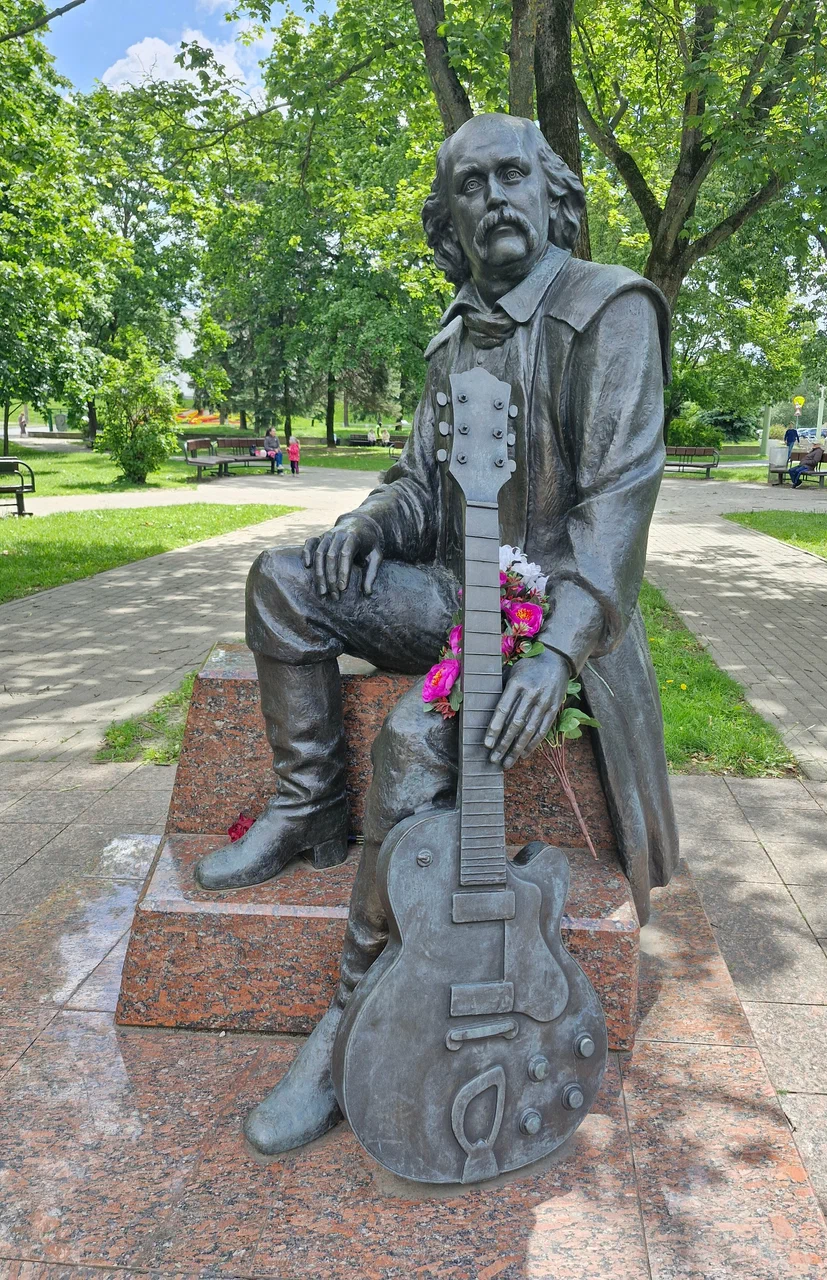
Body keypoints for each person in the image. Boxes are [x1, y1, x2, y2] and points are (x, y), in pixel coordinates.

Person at [196, 113, 679, 1156]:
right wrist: (370, 524)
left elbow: (618, 510)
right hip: (460, 591)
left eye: (513, 175)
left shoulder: (611, 311)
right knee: (285, 581)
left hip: (559, 618)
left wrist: (557, 653)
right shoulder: (452, 337)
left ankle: (350, 1008)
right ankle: (307, 807)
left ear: (551, 194)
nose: (495, 197)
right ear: (449, 221)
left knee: (415, 741)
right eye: (472, 185)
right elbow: (422, 484)